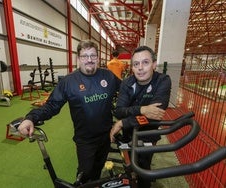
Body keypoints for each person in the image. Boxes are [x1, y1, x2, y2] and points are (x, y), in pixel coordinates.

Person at [18, 39, 121, 184]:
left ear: (98, 57)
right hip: (85, 140)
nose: (89, 60)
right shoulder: (68, 82)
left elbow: (126, 92)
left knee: (97, 170)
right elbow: (51, 106)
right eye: (85, 56)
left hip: (106, 135)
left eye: (93, 56)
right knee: (84, 176)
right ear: (78, 59)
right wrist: (31, 118)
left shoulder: (108, 76)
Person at [110, 45, 171, 188]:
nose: (140, 68)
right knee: (131, 164)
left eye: (145, 62)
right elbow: (119, 111)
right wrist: (142, 109)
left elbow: (155, 116)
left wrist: (123, 122)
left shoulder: (163, 81)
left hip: (149, 133)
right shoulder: (127, 83)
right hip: (129, 133)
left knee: (144, 167)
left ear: (154, 64)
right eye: (136, 64)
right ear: (132, 67)